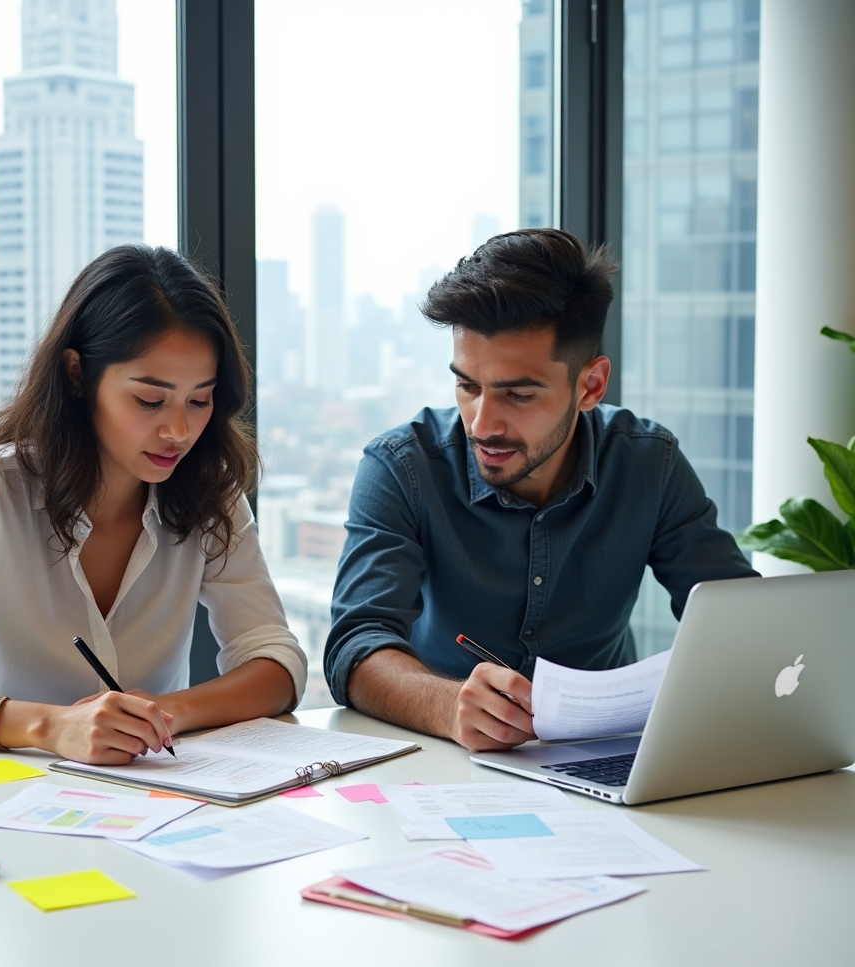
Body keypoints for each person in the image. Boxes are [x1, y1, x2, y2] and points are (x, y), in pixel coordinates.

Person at [0, 244, 305, 764]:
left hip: (145, 801)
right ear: (76, 374)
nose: (179, 431)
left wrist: (159, 713)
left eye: (199, 400)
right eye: (150, 400)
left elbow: (276, 663)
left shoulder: (208, 493)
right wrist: (48, 725)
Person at [324, 228, 756, 752]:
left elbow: (737, 621)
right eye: (467, 385)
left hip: (608, 757)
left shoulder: (649, 463)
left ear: (590, 386)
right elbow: (357, 643)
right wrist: (448, 706)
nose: (483, 423)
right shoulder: (402, 466)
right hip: (448, 760)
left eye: (519, 394)